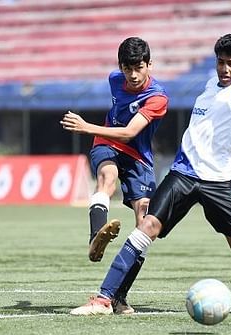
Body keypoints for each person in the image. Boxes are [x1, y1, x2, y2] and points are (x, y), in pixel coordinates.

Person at [69, 9, 231, 316]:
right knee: (146, 226)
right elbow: (217, 123)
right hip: (183, 174)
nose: (224, 69)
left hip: (219, 183)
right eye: (221, 62)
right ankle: (105, 298)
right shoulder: (211, 86)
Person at [60, 37, 169, 314]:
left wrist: (87, 127)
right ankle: (96, 236)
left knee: (145, 221)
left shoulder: (157, 98)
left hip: (138, 156)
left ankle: (119, 296)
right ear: (120, 67)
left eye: (138, 68)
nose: (132, 75)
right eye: (127, 68)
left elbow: (131, 133)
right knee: (107, 178)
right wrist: (94, 132)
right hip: (106, 144)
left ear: (149, 65)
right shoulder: (114, 79)